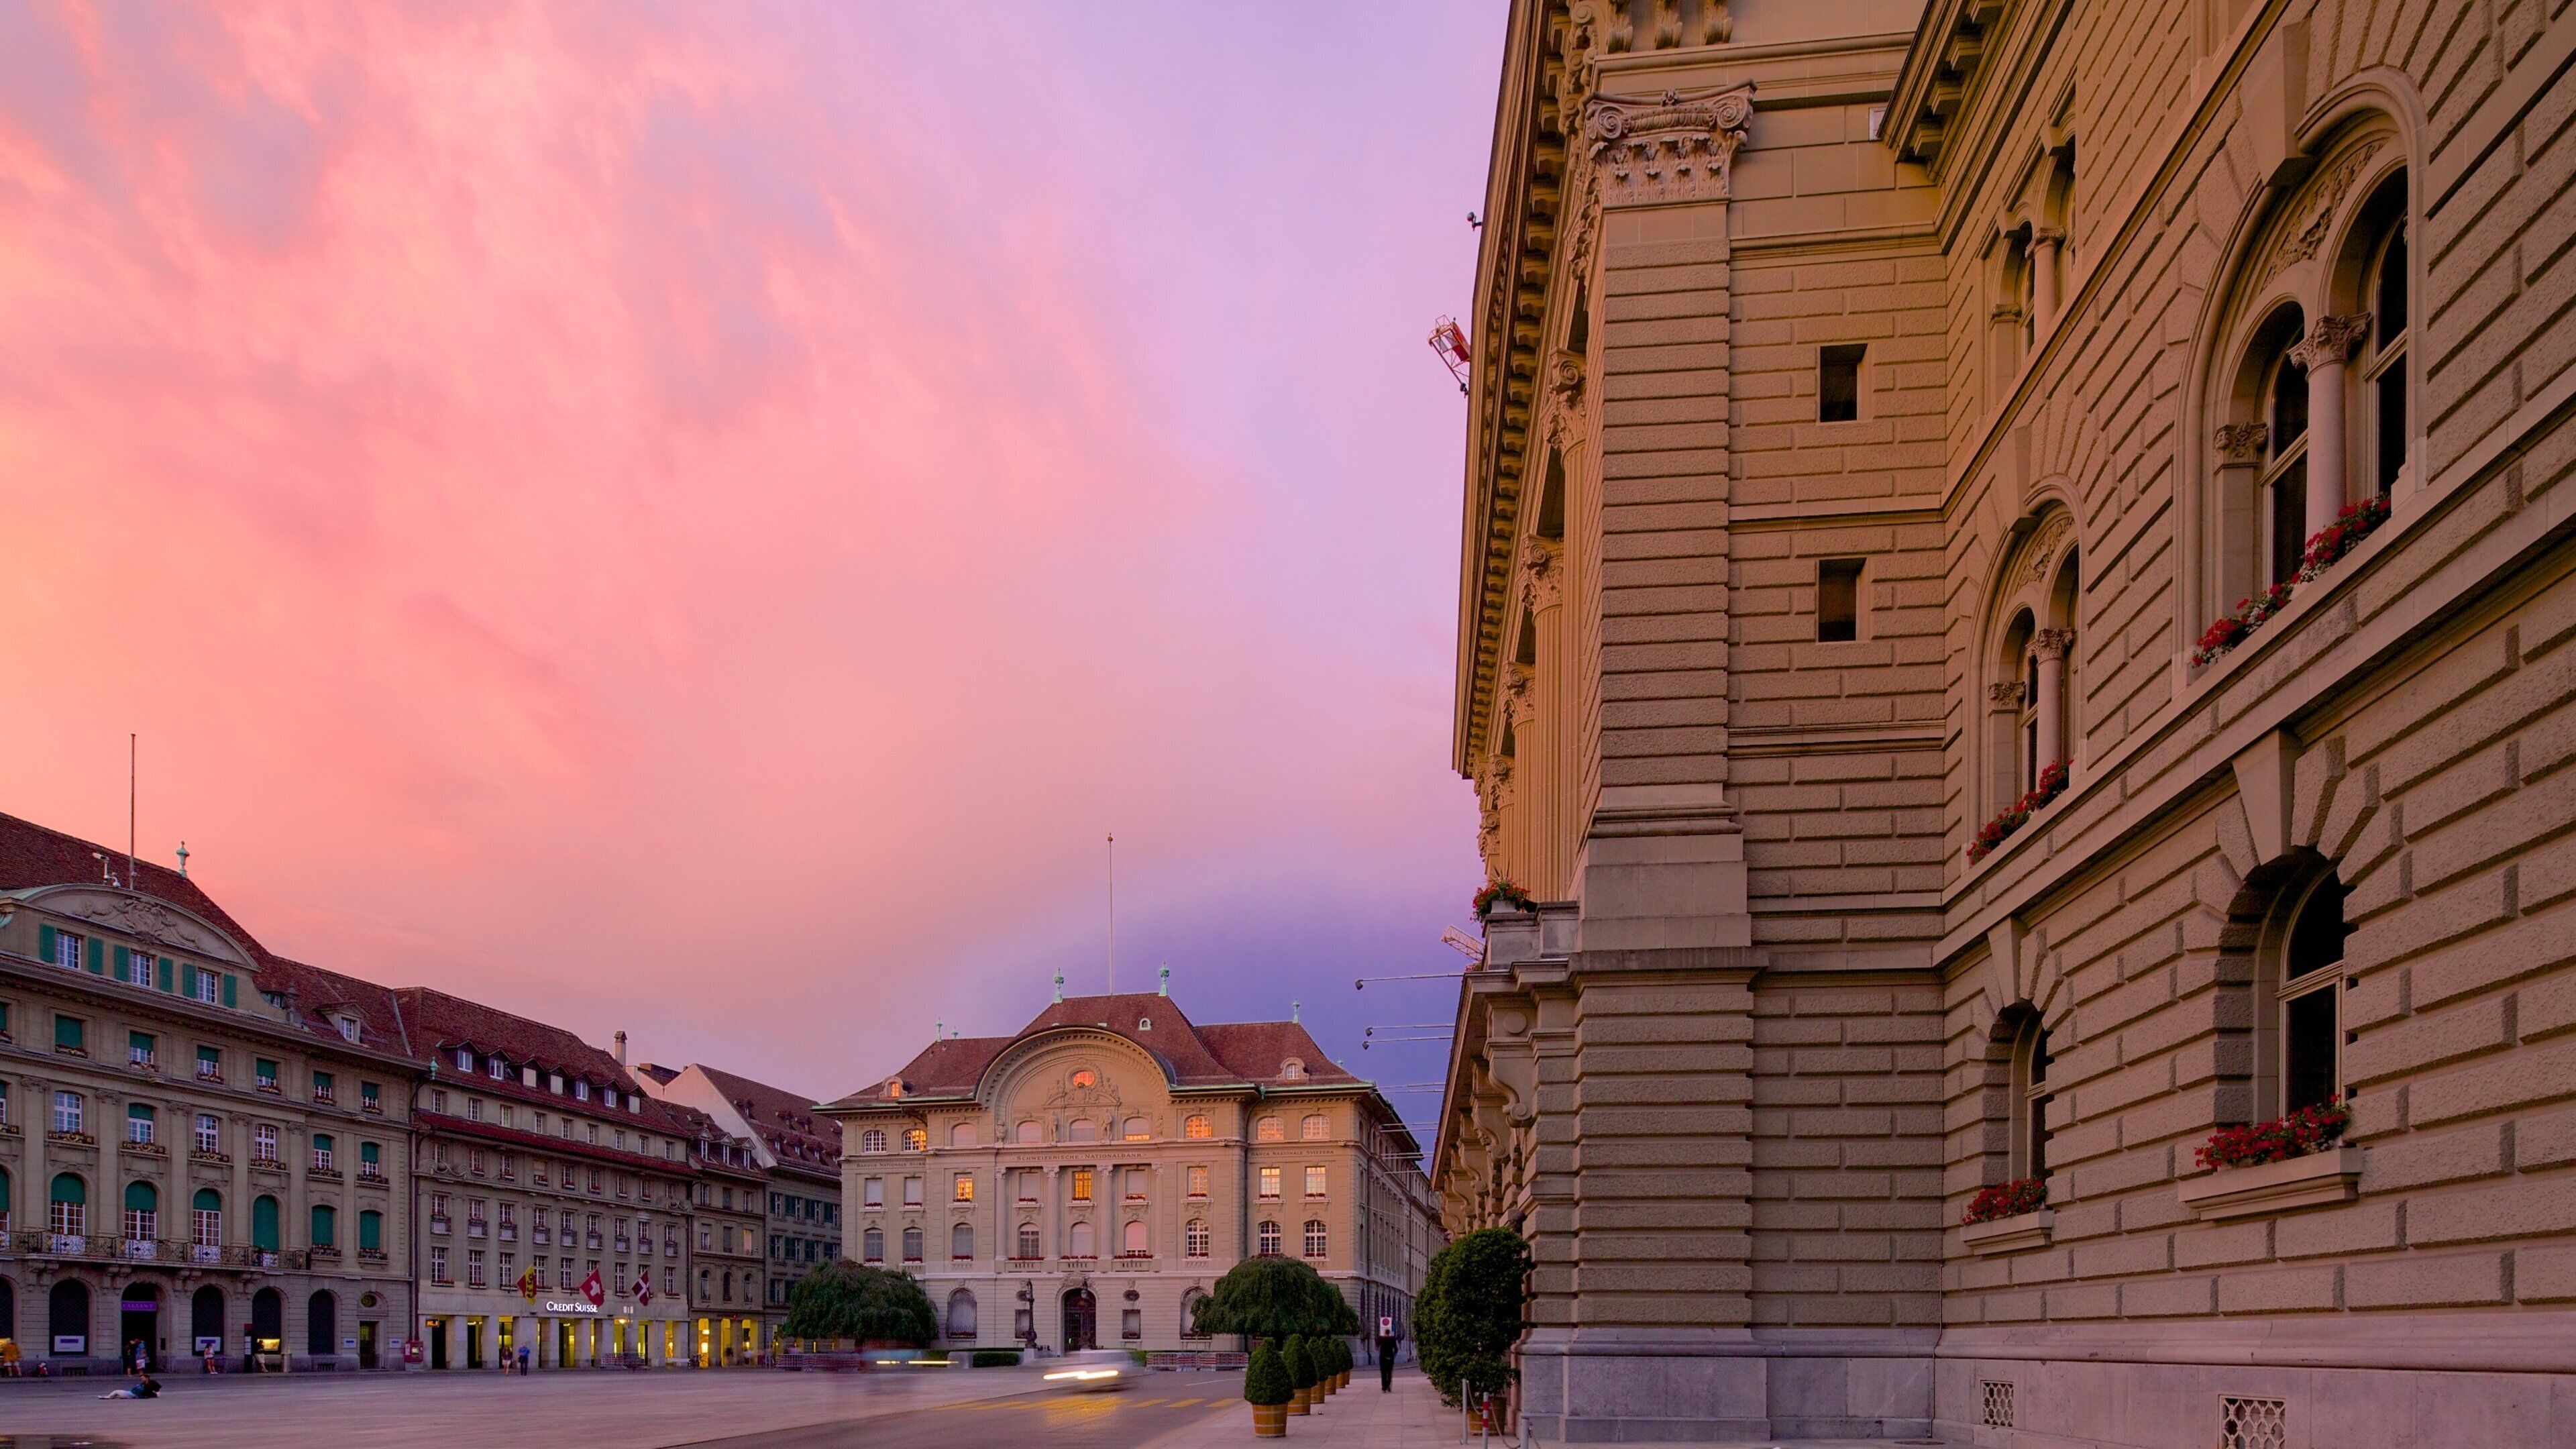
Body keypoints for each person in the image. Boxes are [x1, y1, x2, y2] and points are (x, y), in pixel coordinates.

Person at [1377, 1322, 1399, 1391]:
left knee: (1383, 1373)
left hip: (1383, 1358)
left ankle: (1384, 1387)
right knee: (1389, 1373)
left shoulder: (1381, 1339)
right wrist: (1394, 1355)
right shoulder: (1392, 1339)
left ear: (1385, 1333)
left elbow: (1377, 1344)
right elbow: (1396, 1349)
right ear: (1389, 1333)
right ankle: (1389, 1385)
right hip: (1390, 1358)